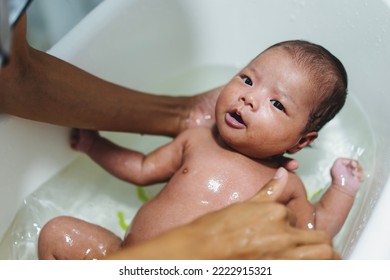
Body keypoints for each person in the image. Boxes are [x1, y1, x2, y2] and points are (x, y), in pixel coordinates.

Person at [1, 14, 341, 260]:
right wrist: (95, 146)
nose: (248, 98)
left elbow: (315, 231)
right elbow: (142, 168)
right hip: (124, 258)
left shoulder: (283, 184)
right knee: (57, 233)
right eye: (247, 80)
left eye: (277, 103)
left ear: (300, 141)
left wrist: (343, 189)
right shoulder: (197, 139)